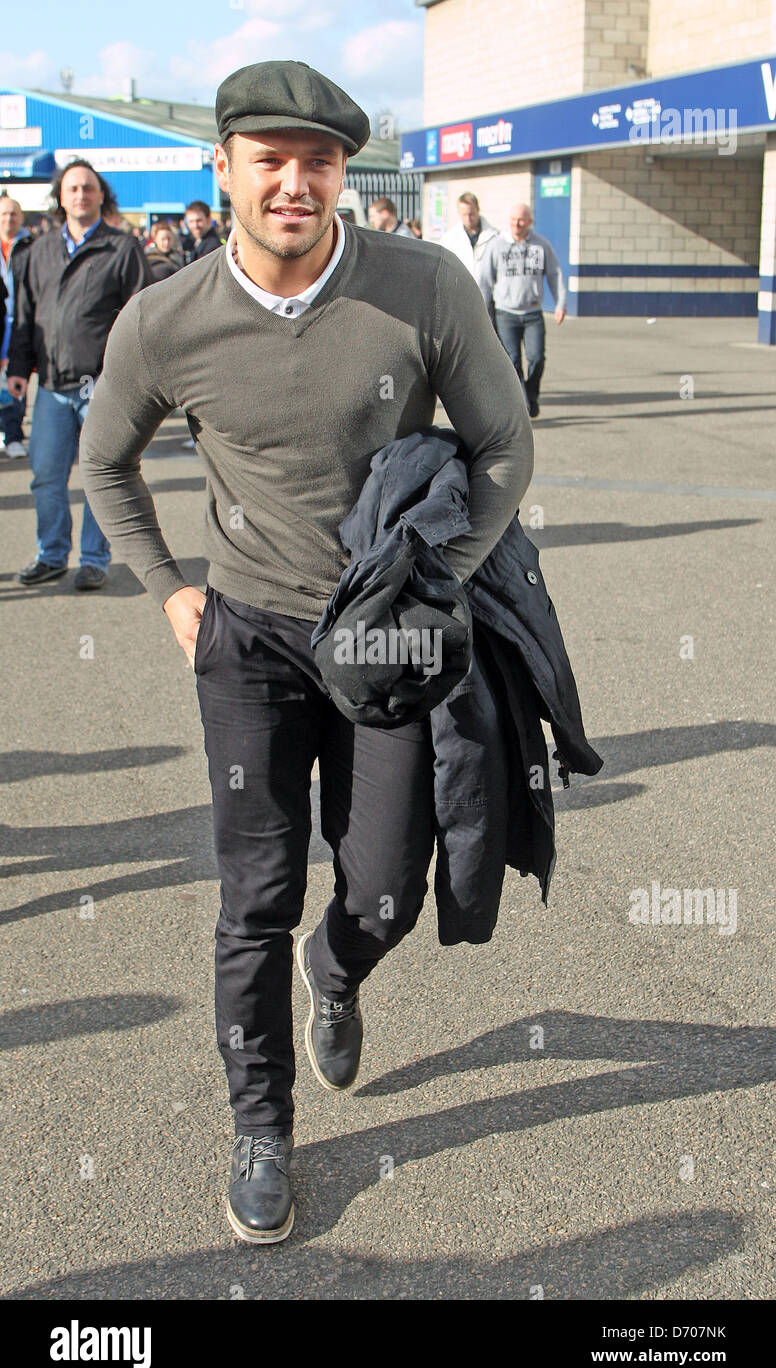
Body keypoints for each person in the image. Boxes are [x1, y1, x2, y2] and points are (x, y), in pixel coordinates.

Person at [79, 59, 533, 1244]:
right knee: (253, 897)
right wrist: (169, 589)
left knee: (381, 887)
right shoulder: (165, 318)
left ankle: (335, 974)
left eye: (317, 159)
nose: (293, 180)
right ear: (221, 168)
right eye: (267, 158)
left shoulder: (423, 286)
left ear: (344, 170)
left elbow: (501, 443)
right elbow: (103, 464)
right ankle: (262, 1122)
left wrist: (440, 572)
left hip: (386, 636)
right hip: (249, 639)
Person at [7, 160, 151, 588]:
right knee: (46, 475)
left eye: (89, 187)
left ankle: (94, 559)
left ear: (101, 194)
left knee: (98, 476)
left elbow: (140, 315)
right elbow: (25, 318)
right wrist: (18, 369)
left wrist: (129, 376)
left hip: (101, 387)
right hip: (50, 387)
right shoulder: (38, 252)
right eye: (72, 188)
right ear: (60, 197)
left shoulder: (122, 249)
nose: (80, 195)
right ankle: (51, 554)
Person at [477, 203, 566, 419]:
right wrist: (480, 312)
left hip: (533, 313)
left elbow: (554, 274)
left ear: (529, 222)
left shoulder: (540, 245)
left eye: (521, 220)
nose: (517, 224)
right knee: (513, 361)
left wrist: (560, 303)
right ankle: (523, 405)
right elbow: (485, 281)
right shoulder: (497, 245)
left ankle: (531, 394)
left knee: (537, 358)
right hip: (505, 313)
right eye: (513, 219)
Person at [0, 196, 33, 457]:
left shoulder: (30, 247)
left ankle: (13, 434)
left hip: (21, 322)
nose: (8, 219)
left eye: (13, 214)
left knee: (16, 376)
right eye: (4, 214)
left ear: (21, 217)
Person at [441, 192, 499, 280]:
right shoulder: (450, 239)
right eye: (464, 214)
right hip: (461, 291)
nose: (468, 218)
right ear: (459, 213)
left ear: (478, 209)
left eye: (471, 214)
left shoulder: (494, 236)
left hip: (487, 292)